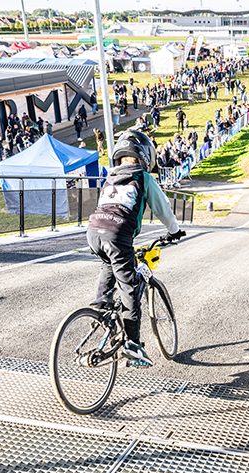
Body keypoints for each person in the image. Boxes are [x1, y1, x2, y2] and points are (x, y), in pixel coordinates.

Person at [87, 130, 186, 367]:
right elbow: (163, 208)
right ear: (144, 155)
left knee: (108, 267)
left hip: (94, 233)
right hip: (118, 235)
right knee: (129, 289)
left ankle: (100, 312)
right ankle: (133, 345)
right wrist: (174, 231)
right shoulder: (142, 177)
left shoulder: (111, 176)